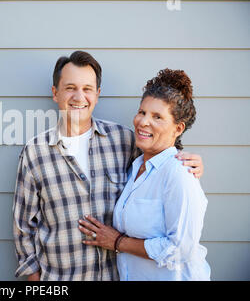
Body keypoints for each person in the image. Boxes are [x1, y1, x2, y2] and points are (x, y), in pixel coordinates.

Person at [13, 51, 204, 281]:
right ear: (55, 93)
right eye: (70, 87)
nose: (79, 96)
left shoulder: (124, 141)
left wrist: (188, 161)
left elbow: (161, 157)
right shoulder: (35, 152)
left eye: (87, 89)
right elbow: (23, 228)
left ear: (98, 94)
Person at [78, 69, 211, 280]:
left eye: (157, 117)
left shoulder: (179, 174)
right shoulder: (136, 166)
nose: (143, 122)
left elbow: (180, 249)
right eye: (142, 112)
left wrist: (117, 242)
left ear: (178, 128)